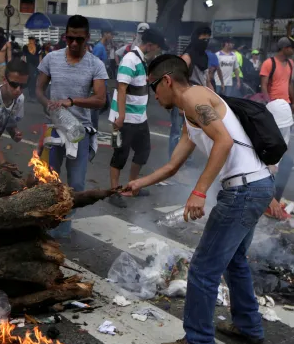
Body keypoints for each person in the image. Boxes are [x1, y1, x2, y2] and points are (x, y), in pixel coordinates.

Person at [124, 54, 273, 344]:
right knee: (234, 261)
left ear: (166, 80)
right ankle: (249, 327)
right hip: (257, 185)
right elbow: (172, 165)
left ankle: (200, 341)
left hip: (244, 190)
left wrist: (200, 192)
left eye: (153, 86)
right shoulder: (189, 112)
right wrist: (140, 183)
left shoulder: (193, 97)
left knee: (204, 268)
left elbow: (224, 142)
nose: (153, 95)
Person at [36, 15, 109, 238]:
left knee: (76, 183)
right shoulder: (51, 58)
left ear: (87, 37)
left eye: (79, 39)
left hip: (80, 130)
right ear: (65, 37)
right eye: (70, 39)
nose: (74, 44)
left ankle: (65, 224)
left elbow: (100, 99)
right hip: (55, 128)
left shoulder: (95, 64)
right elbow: (38, 89)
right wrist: (46, 103)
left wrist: (72, 101)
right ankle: (48, 222)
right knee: (49, 179)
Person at [108, 28, 168, 208]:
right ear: (150, 45)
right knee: (121, 154)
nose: (158, 51)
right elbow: (122, 88)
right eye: (157, 48)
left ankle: (132, 186)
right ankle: (114, 191)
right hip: (126, 117)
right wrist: (121, 116)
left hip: (140, 116)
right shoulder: (130, 59)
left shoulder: (142, 60)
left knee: (143, 151)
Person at [259, 37, 294, 218]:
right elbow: (264, 86)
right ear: (284, 48)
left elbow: (289, 84)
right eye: (291, 47)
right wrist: (269, 106)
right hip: (274, 109)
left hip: (285, 108)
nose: (293, 50)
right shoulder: (269, 63)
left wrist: (293, 102)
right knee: (275, 157)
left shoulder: (290, 63)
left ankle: (271, 199)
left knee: (282, 157)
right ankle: (266, 199)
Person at [176, 26, 214, 160]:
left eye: (208, 39)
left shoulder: (204, 57)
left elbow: (207, 80)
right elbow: (178, 80)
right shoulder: (187, 56)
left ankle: (185, 161)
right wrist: (181, 105)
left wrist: (214, 98)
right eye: (203, 39)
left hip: (199, 100)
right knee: (179, 134)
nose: (206, 42)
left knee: (193, 133)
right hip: (186, 100)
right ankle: (175, 163)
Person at [91, 29, 114, 131]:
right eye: (111, 34)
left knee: (106, 104)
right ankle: (92, 127)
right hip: (98, 81)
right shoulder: (99, 47)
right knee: (98, 105)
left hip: (103, 80)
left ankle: (89, 120)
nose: (112, 37)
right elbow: (93, 63)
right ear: (105, 34)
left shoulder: (103, 47)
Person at [22, 35, 42, 102]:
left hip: (36, 65)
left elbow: (40, 56)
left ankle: (33, 94)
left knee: (35, 79)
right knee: (32, 79)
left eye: (32, 39)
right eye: (30, 39)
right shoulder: (25, 47)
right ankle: (32, 95)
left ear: (34, 39)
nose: (31, 40)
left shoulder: (38, 46)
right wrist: (24, 66)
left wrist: (40, 66)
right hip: (29, 65)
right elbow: (23, 57)